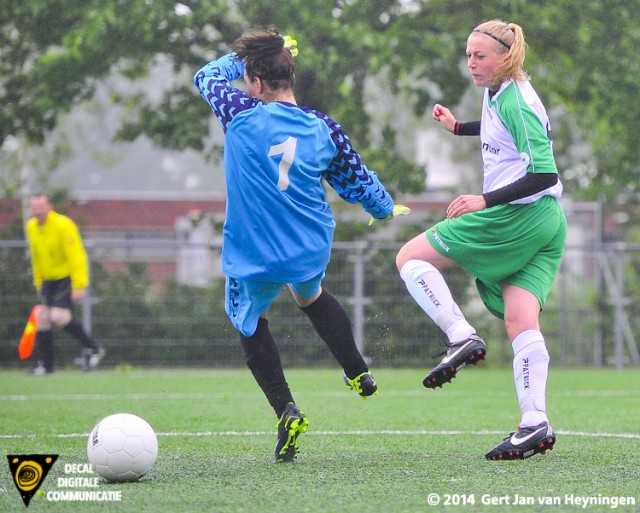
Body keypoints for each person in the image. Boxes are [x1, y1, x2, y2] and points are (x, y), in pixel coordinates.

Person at [194, 28, 408, 463]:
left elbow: (206, 77)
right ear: (291, 79)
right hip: (309, 246)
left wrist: (247, 57)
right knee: (309, 294)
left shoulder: (238, 111)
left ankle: (285, 410)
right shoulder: (322, 127)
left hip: (254, 253)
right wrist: (385, 208)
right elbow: (358, 180)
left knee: (250, 323)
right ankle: (357, 370)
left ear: (255, 83)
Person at [396, 19, 566, 460]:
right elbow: (498, 131)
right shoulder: (500, 91)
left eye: (480, 55)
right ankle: (534, 423)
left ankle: (460, 336)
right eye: (468, 53)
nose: (471, 62)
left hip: (517, 218)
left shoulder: (518, 102)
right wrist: (458, 128)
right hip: (546, 223)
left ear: (505, 57)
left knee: (411, 257)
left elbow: (545, 172)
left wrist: (484, 200)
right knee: (520, 320)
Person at [26, 193, 104, 375]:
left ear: (49, 207)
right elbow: (36, 257)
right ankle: (47, 366)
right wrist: (38, 281)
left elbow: (77, 256)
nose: (37, 210)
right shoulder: (31, 227)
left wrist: (79, 284)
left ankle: (94, 348)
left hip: (65, 278)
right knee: (41, 318)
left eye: (41, 206)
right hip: (47, 280)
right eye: (34, 207)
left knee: (58, 316)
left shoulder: (63, 225)